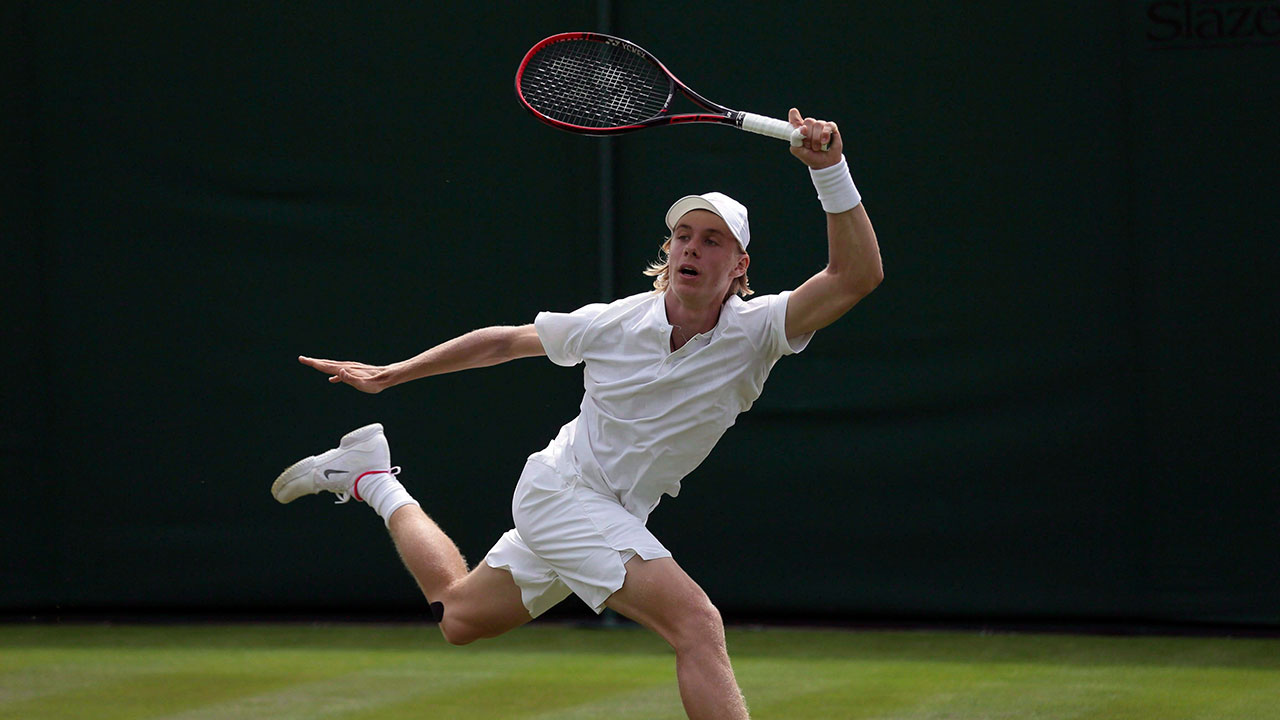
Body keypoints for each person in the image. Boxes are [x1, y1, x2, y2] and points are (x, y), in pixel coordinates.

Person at [272, 108, 881, 720]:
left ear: (740, 265)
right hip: (562, 492)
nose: (692, 247)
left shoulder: (761, 329)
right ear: (669, 250)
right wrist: (393, 372)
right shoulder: (613, 322)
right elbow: (506, 341)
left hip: (616, 508)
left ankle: (371, 478)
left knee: (458, 616)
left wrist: (831, 171)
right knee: (697, 624)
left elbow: (855, 276)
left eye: (712, 239)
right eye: (683, 236)